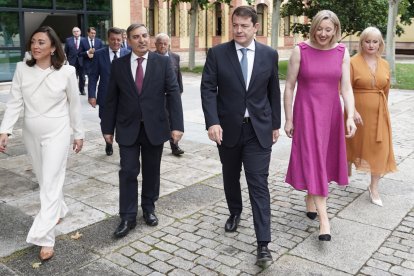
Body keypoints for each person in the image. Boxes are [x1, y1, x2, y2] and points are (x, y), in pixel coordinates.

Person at [201, 6, 281, 266]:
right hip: (227, 129)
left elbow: (273, 92)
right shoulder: (217, 54)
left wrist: (275, 124)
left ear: (256, 27)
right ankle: (235, 211)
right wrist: (212, 121)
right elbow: (207, 89)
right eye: (235, 25)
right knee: (230, 175)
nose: (238, 30)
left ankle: (263, 245)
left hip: (259, 130)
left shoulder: (269, 55)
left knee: (259, 184)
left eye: (244, 26)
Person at [0, 26, 84, 261]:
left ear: (53, 47)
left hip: (57, 131)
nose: (36, 46)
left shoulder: (67, 72)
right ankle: (60, 209)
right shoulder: (21, 69)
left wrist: (79, 133)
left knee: (50, 182)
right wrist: (4, 130)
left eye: (41, 42)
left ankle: (45, 237)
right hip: (31, 133)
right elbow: (15, 102)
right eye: (33, 42)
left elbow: (75, 105)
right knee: (45, 178)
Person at [101, 23, 184, 238]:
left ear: (150, 37)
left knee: (151, 170)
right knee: (128, 171)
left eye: (145, 35)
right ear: (128, 41)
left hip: (154, 127)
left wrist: (177, 126)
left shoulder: (162, 63)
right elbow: (111, 98)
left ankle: (148, 208)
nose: (142, 40)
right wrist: (107, 128)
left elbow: (173, 94)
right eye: (136, 37)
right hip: (127, 127)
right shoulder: (119, 65)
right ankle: (127, 216)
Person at [284, 10, 357, 242]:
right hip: (306, 114)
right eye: (319, 28)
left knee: (322, 160)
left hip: (332, 114)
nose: (323, 34)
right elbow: (289, 86)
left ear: (336, 30)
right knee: (313, 157)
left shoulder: (342, 52)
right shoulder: (300, 50)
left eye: (328, 29)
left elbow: (346, 87)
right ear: (313, 27)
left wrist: (349, 115)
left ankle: (310, 198)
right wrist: (288, 118)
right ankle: (325, 221)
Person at [346, 26, 397, 206]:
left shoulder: (384, 64)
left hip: (379, 113)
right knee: (352, 145)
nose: (371, 45)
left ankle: (373, 187)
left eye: (375, 41)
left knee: (379, 150)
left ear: (380, 43)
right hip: (356, 113)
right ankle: (343, 171)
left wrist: (382, 111)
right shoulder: (352, 62)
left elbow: (386, 89)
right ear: (361, 43)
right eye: (367, 41)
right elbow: (344, 89)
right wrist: (353, 112)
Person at [88, 27, 130, 156]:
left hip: (124, 97)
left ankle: (124, 145)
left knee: (123, 122)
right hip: (105, 95)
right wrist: (91, 95)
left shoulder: (127, 53)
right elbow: (93, 76)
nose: (116, 42)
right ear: (108, 39)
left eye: (118, 39)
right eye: (113, 39)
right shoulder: (99, 54)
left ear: (122, 39)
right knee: (105, 121)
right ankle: (108, 142)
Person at [154, 33, 185, 156]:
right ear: (155, 44)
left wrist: (179, 90)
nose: (162, 46)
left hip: (171, 96)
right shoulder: (151, 58)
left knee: (173, 121)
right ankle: (156, 145)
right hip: (157, 97)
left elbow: (178, 75)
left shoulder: (175, 57)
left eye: (165, 43)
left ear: (168, 45)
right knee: (158, 121)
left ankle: (175, 146)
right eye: (160, 43)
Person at [65, 27, 86, 95]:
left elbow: (86, 50)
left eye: (77, 31)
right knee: (73, 77)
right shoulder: (68, 40)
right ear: (72, 32)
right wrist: (68, 59)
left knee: (82, 77)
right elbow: (66, 51)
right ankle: (74, 91)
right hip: (72, 61)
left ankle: (82, 90)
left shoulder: (84, 40)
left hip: (82, 61)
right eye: (74, 31)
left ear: (80, 32)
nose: (76, 32)